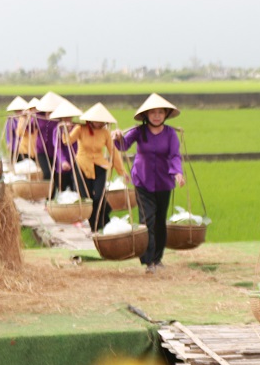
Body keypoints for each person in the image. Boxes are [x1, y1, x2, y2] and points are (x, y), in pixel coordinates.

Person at [114, 93, 185, 274]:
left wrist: (177, 172)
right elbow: (122, 145)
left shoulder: (170, 134)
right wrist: (117, 137)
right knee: (147, 221)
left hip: (163, 182)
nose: (156, 116)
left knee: (160, 221)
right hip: (142, 181)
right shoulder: (139, 131)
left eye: (160, 112)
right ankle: (148, 261)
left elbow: (175, 155)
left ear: (165, 115)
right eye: (152, 112)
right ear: (146, 115)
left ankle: (157, 258)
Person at [68, 103, 126, 233]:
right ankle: (96, 227)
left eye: (101, 121)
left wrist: (122, 171)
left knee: (99, 197)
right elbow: (67, 141)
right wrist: (65, 129)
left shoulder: (105, 133)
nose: (99, 123)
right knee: (87, 199)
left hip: (100, 166)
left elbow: (113, 151)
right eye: (96, 120)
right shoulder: (79, 129)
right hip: (82, 166)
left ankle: (102, 223)